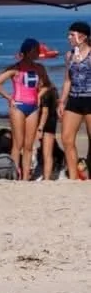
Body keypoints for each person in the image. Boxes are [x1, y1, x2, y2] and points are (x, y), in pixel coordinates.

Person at [0, 39, 53, 181]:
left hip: (33, 108)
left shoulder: (39, 68)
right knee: (17, 144)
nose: (38, 53)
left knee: (29, 145)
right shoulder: (15, 68)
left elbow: (47, 85)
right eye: (36, 50)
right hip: (18, 106)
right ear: (29, 51)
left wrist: (39, 95)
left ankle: (25, 177)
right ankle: (14, 176)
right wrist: (8, 97)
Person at [58, 20, 91, 181]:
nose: (69, 37)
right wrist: (61, 101)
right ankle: (73, 177)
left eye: (72, 34)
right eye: (69, 34)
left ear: (82, 36)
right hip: (74, 99)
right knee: (66, 138)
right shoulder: (69, 55)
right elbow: (67, 80)